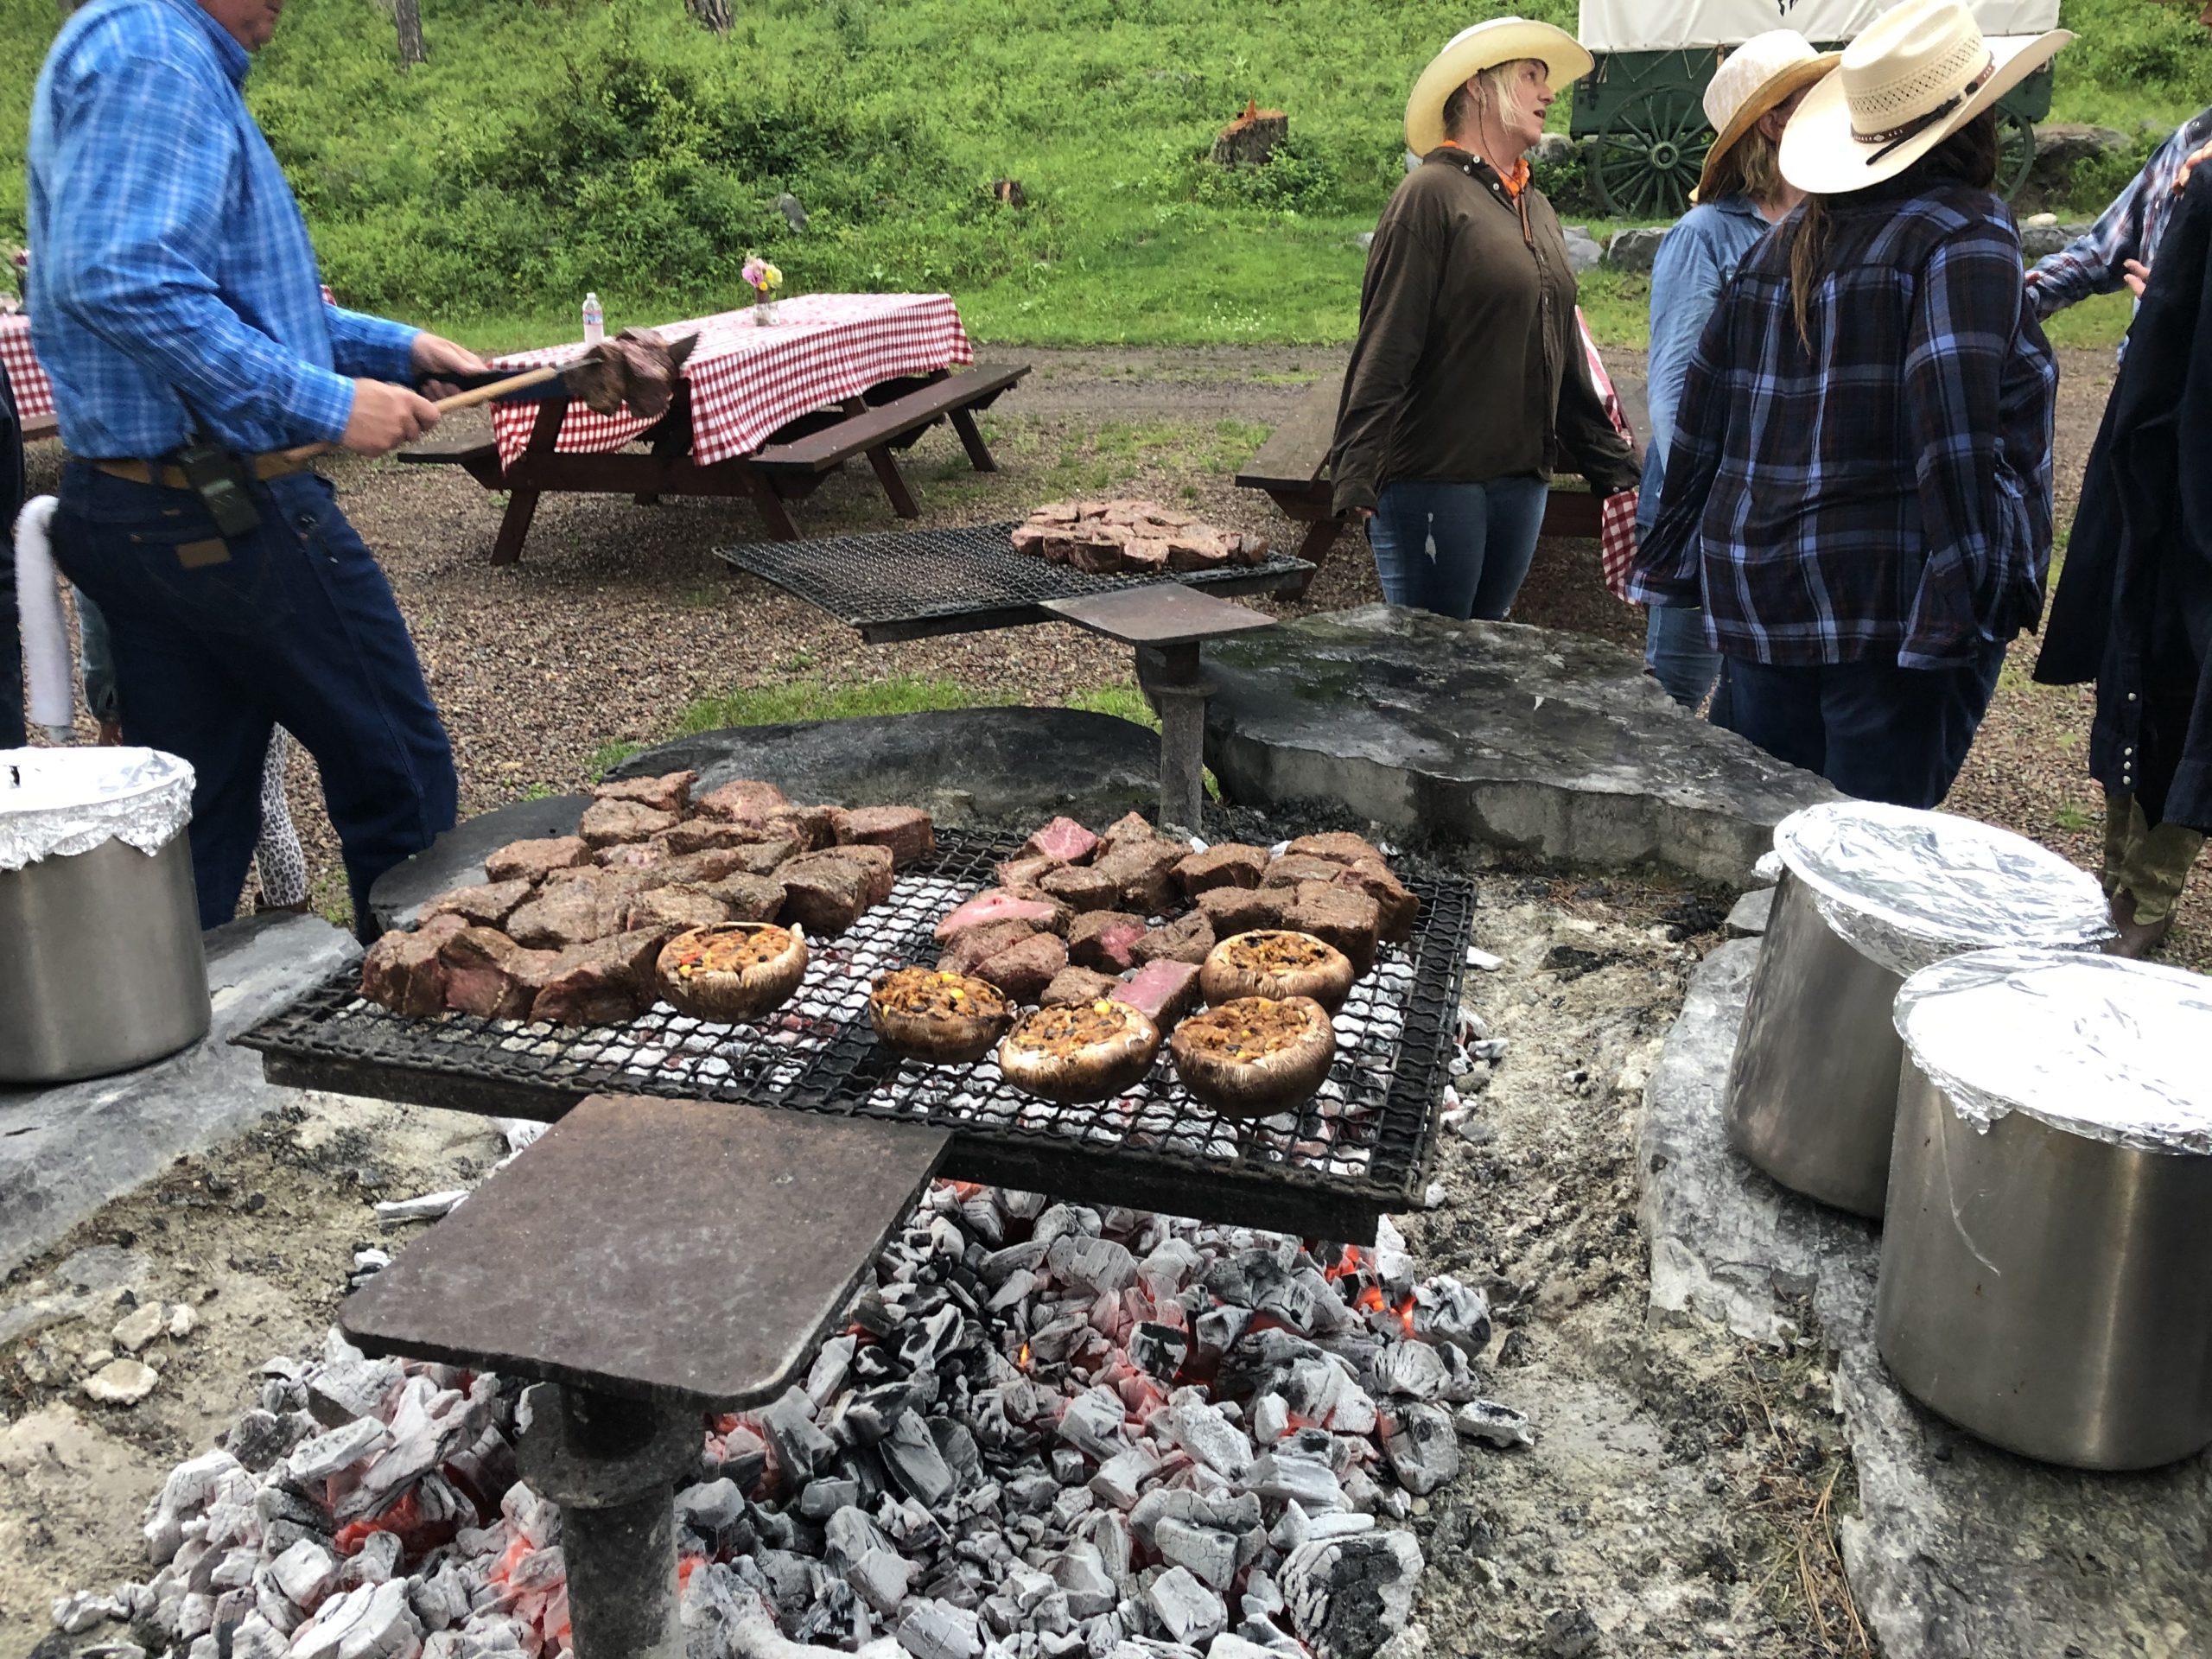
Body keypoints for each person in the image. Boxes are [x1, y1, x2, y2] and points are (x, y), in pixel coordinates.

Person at [28, 0, 484, 938]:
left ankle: (155, 1044)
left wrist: (395, 350)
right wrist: (327, 404)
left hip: (138, 509)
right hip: (218, 507)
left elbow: (222, 298)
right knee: (397, 775)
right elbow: (124, 280)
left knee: (187, 815)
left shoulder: (134, 44)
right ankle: (422, 1034)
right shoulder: (156, 50)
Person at [1633, 0, 2067, 810]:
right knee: (1865, 854)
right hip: (1888, 613)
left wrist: (1678, 561)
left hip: (1766, 597)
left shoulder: (1785, 243)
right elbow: (1956, 436)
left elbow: (1700, 423)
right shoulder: (1961, 232)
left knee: (1776, 844)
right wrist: (1977, 602)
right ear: (1979, 116)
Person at [1331, 17, 1639, 623]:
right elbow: (1387, 339)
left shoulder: (1537, 208)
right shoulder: (1430, 195)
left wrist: (1614, 467)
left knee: (1483, 664)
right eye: (1531, 77)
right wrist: (1356, 470)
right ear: (1478, 87)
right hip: (1434, 480)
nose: (1549, 94)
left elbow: (1564, 351)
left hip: (1520, 480)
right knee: (1428, 672)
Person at [2034, 167, 2212, 959]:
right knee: (2146, 649)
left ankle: (2146, 893)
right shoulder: (2195, 150)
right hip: (2173, 439)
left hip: (2181, 428)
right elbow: (2106, 249)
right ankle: (2126, 891)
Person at [1637, 31, 1834, 710]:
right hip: (1713, 508)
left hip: (1798, 507)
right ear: (1775, 121)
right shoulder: (1706, 238)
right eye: (1815, 96)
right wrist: (1727, 499)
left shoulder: (1832, 226)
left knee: (1773, 699)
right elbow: (1672, 398)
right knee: (1676, 697)